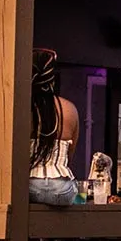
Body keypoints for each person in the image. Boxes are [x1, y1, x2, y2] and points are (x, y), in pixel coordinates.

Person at [25, 49, 81, 206]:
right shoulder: (70, 109)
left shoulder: (23, 108)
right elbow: (70, 156)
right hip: (62, 189)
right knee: (78, 196)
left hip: (28, 185)